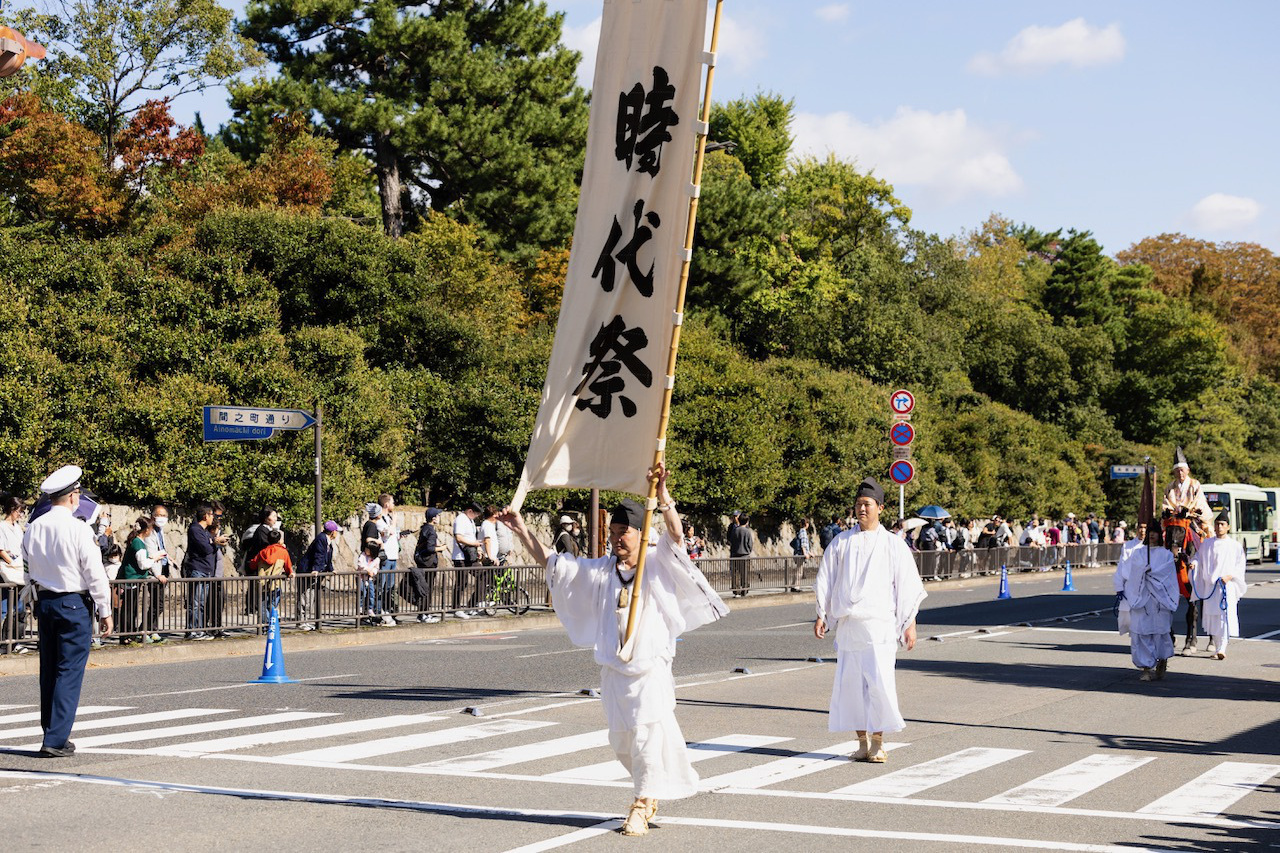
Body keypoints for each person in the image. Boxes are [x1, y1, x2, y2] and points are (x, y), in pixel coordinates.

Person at [498, 463, 727, 837]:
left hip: (649, 670)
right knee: (622, 741)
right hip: (614, 672)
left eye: (626, 533)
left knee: (646, 736)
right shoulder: (603, 570)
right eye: (615, 532)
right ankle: (649, 788)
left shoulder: (657, 565)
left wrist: (663, 493)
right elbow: (554, 565)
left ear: (641, 535)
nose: (618, 538)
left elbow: (675, 535)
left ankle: (640, 802)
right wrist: (522, 529)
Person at [814, 477, 925, 765]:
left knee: (879, 683)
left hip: (880, 625)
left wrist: (909, 623)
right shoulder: (841, 542)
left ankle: (878, 742)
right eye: (858, 505)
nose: (861, 509)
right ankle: (861, 742)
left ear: (881, 508)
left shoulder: (893, 544)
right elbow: (826, 578)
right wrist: (822, 613)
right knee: (851, 686)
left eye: (867, 504)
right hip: (850, 625)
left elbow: (906, 584)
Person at [22, 465, 112, 756]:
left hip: (45, 601)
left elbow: (27, 568)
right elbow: (94, 572)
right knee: (69, 671)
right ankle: (56, 739)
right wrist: (104, 608)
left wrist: (31, 595)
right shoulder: (78, 528)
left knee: (49, 670)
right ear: (74, 497)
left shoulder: (34, 527)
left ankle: (51, 730)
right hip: (74, 602)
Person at [1121, 523, 1178, 681]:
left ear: (1160, 536)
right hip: (1142, 598)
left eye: (1155, 532)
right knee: (1142, 632)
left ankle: (1162, 659)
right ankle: (1146, 668)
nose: (1152, 535)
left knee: (1160, 632)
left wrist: (1151, 573)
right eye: (1150, 533)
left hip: (1159, 599)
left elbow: (1167, 574)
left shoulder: (1166, 554)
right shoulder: (1139, 553)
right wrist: (1141, 570)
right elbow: (1133, 573)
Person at [1191, 511, 1247, 660]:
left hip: (1226, 586)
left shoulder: (1234, 546)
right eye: (1217, 524)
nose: (1219, 527)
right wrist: (1194, 564)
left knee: (1224, 616)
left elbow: (1240, 565)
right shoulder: (1207, 544)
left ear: (1227, 527)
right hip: (1211, 586)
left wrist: (1230, 576)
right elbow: (1199, 558)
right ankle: (1217, 647)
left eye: (1222, 524)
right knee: (1212, 617)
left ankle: (1222, 647)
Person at [120, 516, 167, 644]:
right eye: (151, 528)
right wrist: (154, 558)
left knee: (131, 608)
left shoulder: (136, 541)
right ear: (146, 530)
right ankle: (126, 636)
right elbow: (143, 565)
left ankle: (128, 634)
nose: (151, 531)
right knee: (130, 609)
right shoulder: (139, 543)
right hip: (132, 579)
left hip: (133, 580)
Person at [1, 493, 32, 655]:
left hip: (18, 569)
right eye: (20, 511)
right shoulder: (2, 526)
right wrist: (12, 562)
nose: (21, 514)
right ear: (12, 509)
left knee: (19, 608)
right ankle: (5, 642)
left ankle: (13, 641)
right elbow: (1, 549)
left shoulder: (18, 528)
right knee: (6, 609)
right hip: (8, 570)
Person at [183, 504, 218, 641]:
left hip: (206, 570)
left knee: (202, 602)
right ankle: (192, 630)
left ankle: (200, 629)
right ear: (205, 516)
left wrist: (213, 542)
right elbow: (206, 548)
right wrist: (214, 542)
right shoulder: (195, 529)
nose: (213, 518)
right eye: (211, 515)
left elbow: (210, 547)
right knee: (195, 602)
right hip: (197, 569)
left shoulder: (205, 531)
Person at [297, 520, 339, 630]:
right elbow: (319, 555)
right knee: (305, 596)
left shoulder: (327, 540)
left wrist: (331, 569)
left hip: (314, 572)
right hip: (307, 571)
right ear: (333, 532)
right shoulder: (322, 539)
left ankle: (305, 620)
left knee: (310, 597)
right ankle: (301, 621)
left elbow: (327, 558)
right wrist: (315, 569)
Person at [1162, 446, 1213, 536]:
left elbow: (1199, 500)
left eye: (1182, 470)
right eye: (1177, 471)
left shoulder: (1194, 484)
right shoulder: (1170, 487)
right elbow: (1166, 502)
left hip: (1193, 516)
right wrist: (1172, 511)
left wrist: (1188, 511)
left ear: (1187, 470)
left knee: (1206, 530)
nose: (1180, 473)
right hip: (1175, 517)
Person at [410, 509, 445, 623]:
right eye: (438, 516)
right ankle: (424, 614)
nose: (439, 518)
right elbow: (430, 549)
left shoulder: (425, 528)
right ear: (433, 518)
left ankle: (423, 613)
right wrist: (441, 548)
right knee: (427, 589)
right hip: (428, 563)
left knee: (423, 588)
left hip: (422, 562)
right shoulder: (431, 531)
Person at [249, 528, 293, 616]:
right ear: (279, 540)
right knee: (273, 605)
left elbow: (252, 565)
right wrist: (290, 573)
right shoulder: (283, 552)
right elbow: (288, 567)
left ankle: (264, 626)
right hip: (276, 583)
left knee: (263, 605)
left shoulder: (262, 552)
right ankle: (272, 626)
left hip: (262, 583)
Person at [144, 503, 172, 639]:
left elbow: (161, 549)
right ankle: (145, 629)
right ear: (153, 516)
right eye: (159, 515)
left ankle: (152, 629)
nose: (162, 518)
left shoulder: (160, 531)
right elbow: (151, 553)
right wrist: (158, 574)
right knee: (157, 604)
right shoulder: (150, 532)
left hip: (164, 568)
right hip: (155, 573)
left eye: (164, 515)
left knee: (159, 603)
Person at [451, 502, 483, 619]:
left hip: (470, 556)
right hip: (461, 557)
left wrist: (478, 548)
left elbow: (473, 537)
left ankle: (473, 603)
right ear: (470, 511)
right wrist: (474, 544)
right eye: (475, 514)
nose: (476, 517)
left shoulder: (471, 521)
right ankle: (456, 608)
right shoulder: (460, 519)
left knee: (483, 575)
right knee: (461, 582)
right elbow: (458, 537)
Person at [376, 494, 401, 625]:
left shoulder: (389, 518)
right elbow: (387, 532)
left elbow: (393, 534)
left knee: (390, 587)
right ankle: (378, 612)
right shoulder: (380, 520)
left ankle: (387, 610)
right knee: (381, 586)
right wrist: (395, 522)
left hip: (393, 556)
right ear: (386, 504)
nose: (394, 504)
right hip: (386, 557)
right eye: (392, 502)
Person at [728, 512, 754, 597]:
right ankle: (745, 589)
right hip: (744, 555)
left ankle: (736, 590)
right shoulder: (747, 531)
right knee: (745, 573)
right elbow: (750, 544)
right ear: (747, 521)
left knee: (735, 574)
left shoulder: (734, 530)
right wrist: (748, 551)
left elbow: (731, 541)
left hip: (735, 554)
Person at [356, 538, 382, 624]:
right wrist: (367, 570)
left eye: (368, 549)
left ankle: (370, 609)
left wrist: (373, 572)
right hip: (361, 577)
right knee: (362, 592)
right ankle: (360, 607)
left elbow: (376, 568)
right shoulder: (363, 555)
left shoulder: (376, 559)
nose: (366, 550)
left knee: (371, 594)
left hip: (369, 578)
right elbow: (360, 564)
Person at [789, 519, 812, 592]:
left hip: (797, 554)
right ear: (806, 524)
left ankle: (793, 585)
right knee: (799, 571)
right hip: (800, 554)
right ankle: (796, 586)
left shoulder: (800, 531)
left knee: (798, 570)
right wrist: (805, 553)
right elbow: (803, 544)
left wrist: (809, 553)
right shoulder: (803, 532)